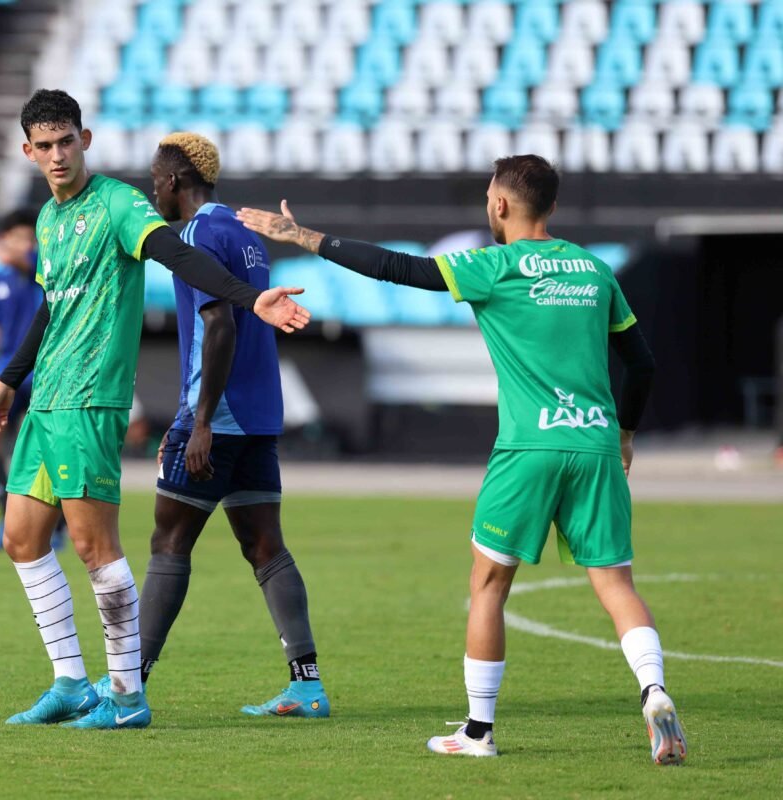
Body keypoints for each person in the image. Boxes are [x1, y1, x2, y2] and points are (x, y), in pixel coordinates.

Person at [238, 155, 684, 765]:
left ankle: (477, 733)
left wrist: (304, 237)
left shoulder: (492, 267)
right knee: (615, 584)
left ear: (500, 205)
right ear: (551, 207)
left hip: (529, 448)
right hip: (598, 445)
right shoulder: (596, 270)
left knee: (489, 588)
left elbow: (398, 268)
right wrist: (625, 432)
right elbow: (643, 363)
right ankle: (654, 692)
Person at [0, 89, 310, 731]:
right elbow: (52, 305)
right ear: (27, 151)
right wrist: (7, 381)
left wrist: (250, 297)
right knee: (22, 541)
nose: (56, 155)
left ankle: (127, 696)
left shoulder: (120, 205)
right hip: (45, 400)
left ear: (86, 140)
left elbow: (177, 254)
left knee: (93, 547)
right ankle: (72, 683)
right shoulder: (48, 220)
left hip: (90, 399)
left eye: (65, 141)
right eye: (43, 146)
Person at [111, 131, 329, 718]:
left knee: (168, 541)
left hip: (221, 415)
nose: (152, 190)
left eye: (155, 180)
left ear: (174, 181)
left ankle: (128, 690)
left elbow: (220, 325)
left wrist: (199, 419)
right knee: (264, 545)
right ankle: (307, 685)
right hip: (259, 417)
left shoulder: (195, 234)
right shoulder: (243, 235)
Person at [0, 207, 66, 552]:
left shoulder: (42, 266)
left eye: (28, 237)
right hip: (5, 375)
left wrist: (2, 250)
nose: (23, 243)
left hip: (41, 371)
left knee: (37, 450)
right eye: (16, 237)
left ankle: (54, 525)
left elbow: (26, 261)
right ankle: (7, 517)